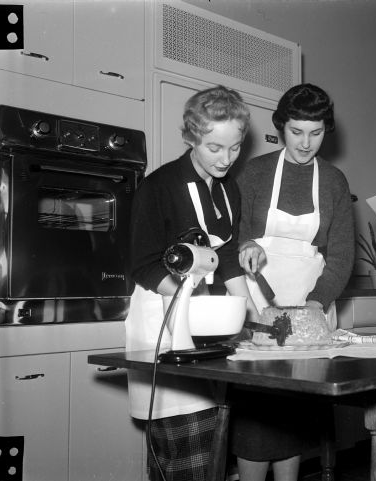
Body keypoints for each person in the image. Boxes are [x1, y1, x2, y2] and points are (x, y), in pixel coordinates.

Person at [125, 85, 257, 481]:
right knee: (181, 448)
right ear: (191, 138)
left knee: (209, 448)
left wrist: (252, 311)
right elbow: (143, 265)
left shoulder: (228, 187)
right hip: (163, 323)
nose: (226, 159)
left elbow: (228, 256)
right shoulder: (159, 186)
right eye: (215, 148)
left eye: (234, 148)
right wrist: (192, 302)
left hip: (203, 327)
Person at [231, 83, 355, 481]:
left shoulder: (334, 181)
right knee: (258, 404)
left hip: (312, 302)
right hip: (256, 295)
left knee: (297, 404)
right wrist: (247, 249)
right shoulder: (255, 172)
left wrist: (317, 302)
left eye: (316, 133)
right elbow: (235, 234)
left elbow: (340, 254)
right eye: (296, 131)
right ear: (281, 127)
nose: (306, 143)